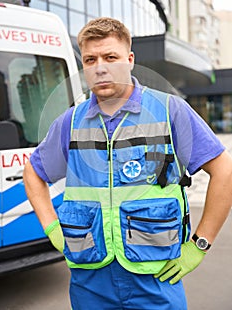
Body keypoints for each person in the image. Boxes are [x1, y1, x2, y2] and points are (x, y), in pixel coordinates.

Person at [23, 17, 232, 310]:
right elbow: (33, 172)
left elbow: (224, 170)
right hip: (89, 280)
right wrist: (52, 229)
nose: (100, 67)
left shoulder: (169, 110)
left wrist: (199, 245)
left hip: (155, 277)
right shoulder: (70, 122)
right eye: (90, 59)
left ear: (130, 60)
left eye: (111, 57)